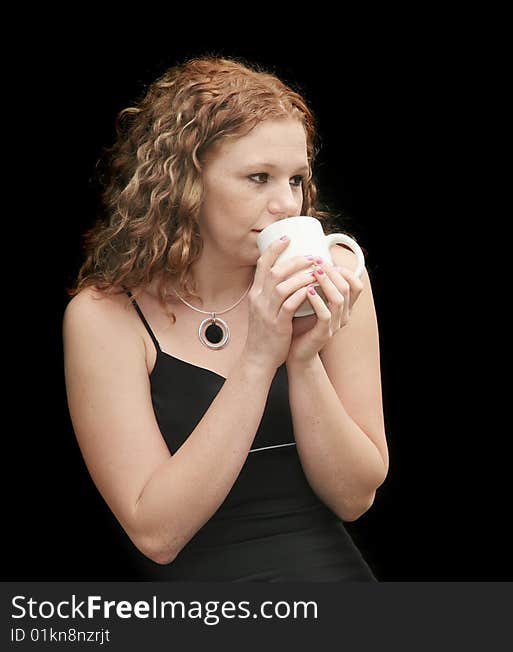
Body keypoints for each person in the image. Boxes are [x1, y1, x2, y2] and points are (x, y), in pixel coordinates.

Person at [62, 56, 388, 581]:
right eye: (258, 178)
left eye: (297, 179)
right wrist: (260, 357)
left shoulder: (337, 275)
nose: (287, 204)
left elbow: (355, 497)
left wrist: (303, 357)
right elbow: (157, 533)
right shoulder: (106, 317)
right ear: (186, 183)